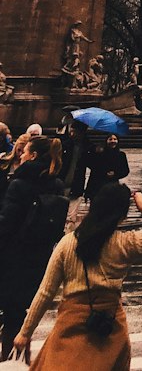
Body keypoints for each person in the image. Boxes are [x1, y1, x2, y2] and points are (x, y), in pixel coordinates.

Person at [12, 185, 142, 367]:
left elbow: (45, 292)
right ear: (121, 216)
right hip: (109, 328)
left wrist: (25, 333)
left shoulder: (67, 244)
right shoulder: (125, 243)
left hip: (71, 324)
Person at [0, 137, 69, 359]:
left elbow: (6, 223)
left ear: (33, 155)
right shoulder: (56, 183)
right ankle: (19, 357)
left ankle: (8, 358)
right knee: (18, 312)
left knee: (10, 310)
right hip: (38, 257)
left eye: (25, 151)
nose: (21, 155)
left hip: (11, 256)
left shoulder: (19, 184)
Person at [85, 133, 130, 202]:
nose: (113, 141)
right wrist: (94, 152)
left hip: (113, 185)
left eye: (115, 139)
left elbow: (125, 170)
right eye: (110, 139)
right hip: (97, 185)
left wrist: (115, 174)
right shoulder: (99, 153)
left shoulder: (121, 155)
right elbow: (90, 165)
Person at [60, 118, 90, 204]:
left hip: (76, 185)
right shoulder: (65, 145)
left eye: (75, 132)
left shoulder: (87, 147)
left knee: (71, 215)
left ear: (81, 133)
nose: (72, 134)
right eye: (71, 131)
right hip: (62, 183)